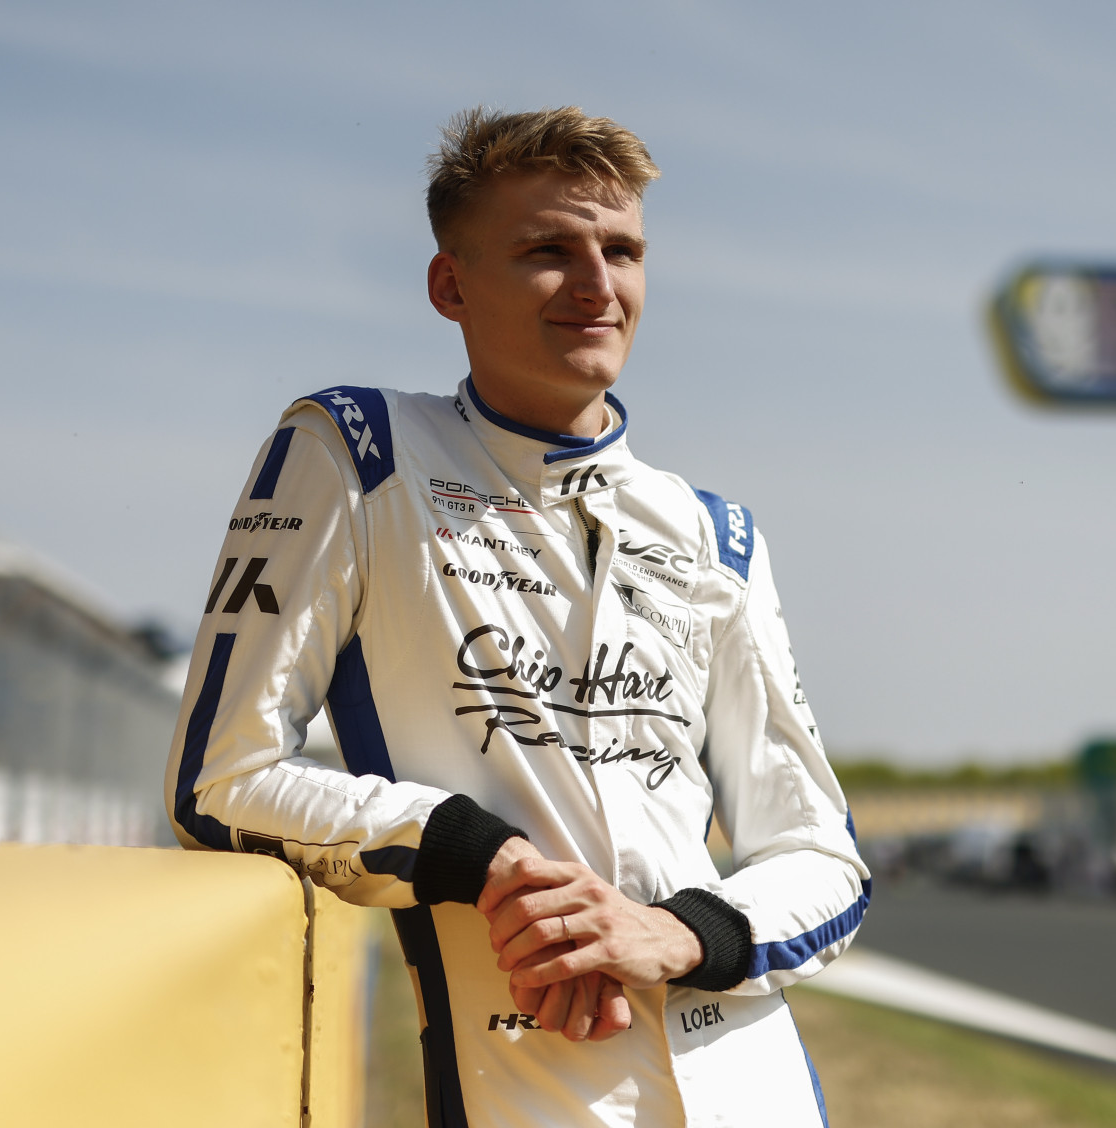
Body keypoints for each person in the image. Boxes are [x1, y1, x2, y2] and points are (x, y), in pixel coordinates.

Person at [164, 107, 869, 1127]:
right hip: (533, 1089)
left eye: (621, 250)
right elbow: (218, 783)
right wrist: (482, 858)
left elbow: (823, 857)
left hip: (758, 1092)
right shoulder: (359, 451)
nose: (597, 285)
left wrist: (675, 935)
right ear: (451, 285)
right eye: (548, 251)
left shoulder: (718, 532)